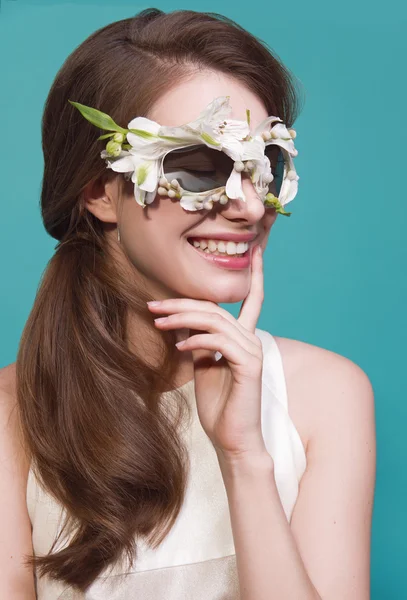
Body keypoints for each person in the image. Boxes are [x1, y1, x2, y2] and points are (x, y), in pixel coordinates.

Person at [0, 8, 376, 600]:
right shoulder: (11, 415)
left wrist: (244, 458)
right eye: (200, 167)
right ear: (100, 190)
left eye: (265, 168)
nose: (251, 208)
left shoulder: (326, 395)